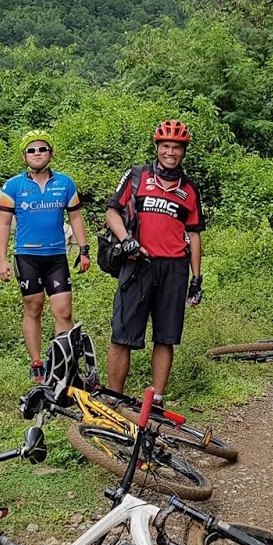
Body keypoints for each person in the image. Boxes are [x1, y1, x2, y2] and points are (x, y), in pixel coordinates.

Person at [103, 120, 205, 401]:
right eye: (166, 146)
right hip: (138, 263)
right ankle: (114, 397)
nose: (171, 152)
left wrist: (196, 278)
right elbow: (112, 212)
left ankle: (156, 398)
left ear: (184, 152)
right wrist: (127, 239)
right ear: (157, 148)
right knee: (122, 333)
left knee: (166, 336)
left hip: (174, 268)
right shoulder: (137, 175)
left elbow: (194, 234)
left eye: (177, 147)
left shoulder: (190, 189)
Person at [0, 131, 91, 384]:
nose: (37, 154)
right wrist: (1, 259)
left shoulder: (65, 183)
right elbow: (3, 224)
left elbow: (75, 217)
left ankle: (63, 363)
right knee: (33, 307)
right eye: (31, 150)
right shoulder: (13, 186)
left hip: (56, 256)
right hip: (27, 255)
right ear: (24, 156)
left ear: (51, 153)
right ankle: (37, 362)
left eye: (42, 149)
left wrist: (84, 250)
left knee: (64, 311)